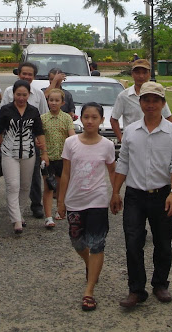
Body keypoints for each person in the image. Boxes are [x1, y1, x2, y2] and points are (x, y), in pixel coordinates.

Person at [111, 82, 172, 307]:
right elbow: (123, 162)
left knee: (163, 242)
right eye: (146, 100)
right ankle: (137, 290)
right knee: (133, 242)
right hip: (135, 196)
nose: (150, 105)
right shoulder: (131, 131)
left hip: (162, 195)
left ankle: (160, 284)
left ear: (163, 104)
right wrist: (115, 191)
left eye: (156, 101)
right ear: (140, 103)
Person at [57, 102, 116, 312]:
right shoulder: (71, 143)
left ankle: (89, 291)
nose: (90, 121)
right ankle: (89, 262)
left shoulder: (107, 146)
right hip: (75, 201)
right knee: (77, 242)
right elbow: (65, 173)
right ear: (80, 119)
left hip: (97, 201)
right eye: (86, 117)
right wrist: (60, 200)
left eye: (94, 117)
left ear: (101, 120)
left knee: (98, 244)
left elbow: (112, 172)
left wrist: (115, 194)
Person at [0, 79, 49, 234]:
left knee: (25, 185)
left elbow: (39, 132)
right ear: (13, 94)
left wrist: (44, 152)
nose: (21, 98)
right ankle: (17, 220)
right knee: (13, 185)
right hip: (9, 151)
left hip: (28, 152)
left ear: (28, 95)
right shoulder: (6, 109)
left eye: (24, 95)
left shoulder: (33, 111)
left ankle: (19, 212)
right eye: (18, 94)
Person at [110, 59, 172, 143]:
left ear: (149, 74)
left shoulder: (157, 96)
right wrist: (121, 138)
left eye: (144, 73)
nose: (141, 76)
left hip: (155, 140)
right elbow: (114, 119)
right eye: (137, 73)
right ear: (132, 74)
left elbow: (168, 117)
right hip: (133, 140)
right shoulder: (124, 96)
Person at [40, 88, 76, 228]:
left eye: (57, 100)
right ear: (47, 101)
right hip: (47, 157)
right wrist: (43, 153)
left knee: (61, 186)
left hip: (63, 158)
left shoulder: (66, 118)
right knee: (48, 186)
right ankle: (48, 217)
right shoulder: (42, 118)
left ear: (62, 103)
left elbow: (71, 136)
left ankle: (60, 209)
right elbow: (39, 138)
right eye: (51, 100)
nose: (53, 103)